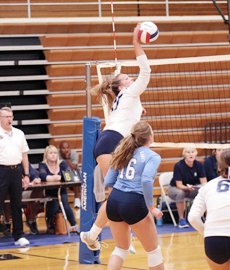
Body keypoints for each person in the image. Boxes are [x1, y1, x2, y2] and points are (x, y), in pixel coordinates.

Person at [81, 22, 151, 252]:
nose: (132, 79)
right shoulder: (129, 92)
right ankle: (96, 234)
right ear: (122, 87)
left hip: (111, 143)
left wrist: (138, 112)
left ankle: (101, 235)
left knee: (119, 193)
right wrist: (135, 42)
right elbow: (146, 72)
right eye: (128, 78)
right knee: (119, 194)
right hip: (111, 143)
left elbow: (129, 117)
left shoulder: (123, 100)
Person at [104, 121, 164, 270]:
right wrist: (151, 207)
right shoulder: (153, 156)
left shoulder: (123, 150)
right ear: (150, 136)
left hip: (114, 200)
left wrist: (119, 198)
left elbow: (108, 180)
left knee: (120, 248)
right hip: (133, 202)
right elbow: (146, 179)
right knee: (153, 251)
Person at [0, 107, 30, 249]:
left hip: (16, 170)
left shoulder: (19, 134)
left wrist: (26, 175)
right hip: (0, 171)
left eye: (11, 116)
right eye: (6, 117)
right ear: (0, 118)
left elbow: (24, 155)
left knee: (17, 204)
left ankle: (19, 235)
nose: (9, 119)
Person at [38, 145, 77, 234]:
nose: (53, 155)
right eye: (50, 153)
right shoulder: (43, 165)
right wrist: (59, 177)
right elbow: (43, 177)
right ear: (46, 155)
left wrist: (53, 177)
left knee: (65, 205)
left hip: (61, 190)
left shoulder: (62, 163)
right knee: (54, 206)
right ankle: (50, 224)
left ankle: (75, 226)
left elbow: (69, 175)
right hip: (49, 191)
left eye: (55, 153)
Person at [168, 147, 207, 228]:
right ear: (184, 155)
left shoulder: (199, 165)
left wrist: (202, 187)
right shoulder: (178, 166)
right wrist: (187, 187)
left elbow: (204, 182)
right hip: (175, 188)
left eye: (192, 152)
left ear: (196, 154)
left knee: (204, 191)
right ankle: (181, 220)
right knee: (180, 193)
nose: (191, 154)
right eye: (188, 152)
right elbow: (179, 185)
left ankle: (207, 218)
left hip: (191, 188)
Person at [59, 140, 81, 208]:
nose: (66, 150)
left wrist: (67, 158)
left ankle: (77, 198)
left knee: (74, 174)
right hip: (60, 174)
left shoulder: (74, 154)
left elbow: (73, 168)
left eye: (67, 147)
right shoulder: (56, 154)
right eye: (63, 148)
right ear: (60, 149)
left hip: (71, 173)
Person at [22, 164, 43, 235]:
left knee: (38, 190)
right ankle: (7, 223)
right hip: (10, 190)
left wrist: (36, 178)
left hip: (23, 191)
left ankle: (31, 220)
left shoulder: (23, 160)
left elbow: (32, 173)